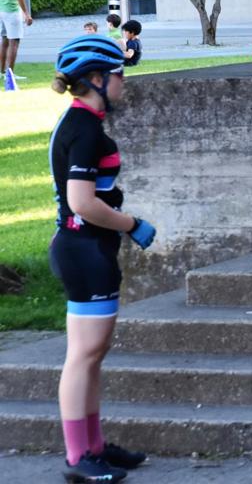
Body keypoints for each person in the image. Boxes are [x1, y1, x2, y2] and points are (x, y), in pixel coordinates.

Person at [49, 34, 157, 482]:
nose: (123, 83)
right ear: (97, 79)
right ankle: (79, 457)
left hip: (88, 250)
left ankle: (94, 446)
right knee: (84, 355)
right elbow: (82, 203)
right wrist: (131, 223)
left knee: (93, 353)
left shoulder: (82, 124)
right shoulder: (85, 131)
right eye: (119, 75)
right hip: (83, 249)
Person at [0, 0, 32, 89]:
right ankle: (10, 75)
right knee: (14, 42)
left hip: (1, 9)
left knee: (5, 40)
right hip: (12, 11)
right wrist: (26, 13)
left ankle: (2, 72)